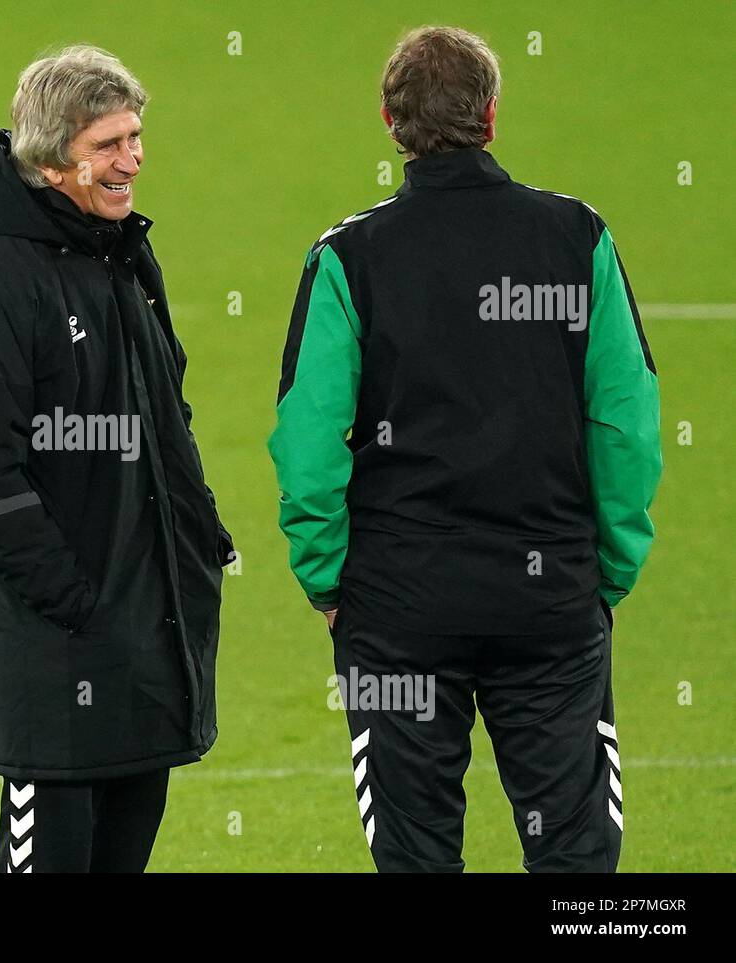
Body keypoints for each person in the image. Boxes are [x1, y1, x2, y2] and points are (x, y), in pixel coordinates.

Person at [268, 26, 661, 872]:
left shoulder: (348, 255)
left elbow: (309, 441)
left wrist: (326, 577)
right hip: (549, 600)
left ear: (390, 122)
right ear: (491, 114)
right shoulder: (577, 235)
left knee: (415, 855)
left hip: (398, 607)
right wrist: (608, 570)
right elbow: (626, 425)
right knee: (575, 859)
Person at [0, 46, 233, 873]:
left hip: (146, 631)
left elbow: (168, 415)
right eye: (109, 144)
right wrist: (76, 600)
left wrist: (198, 539)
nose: (133, 159)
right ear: (53, 155)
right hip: (61, 656)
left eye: (135, 137)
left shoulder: (117, 251)